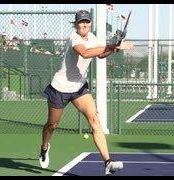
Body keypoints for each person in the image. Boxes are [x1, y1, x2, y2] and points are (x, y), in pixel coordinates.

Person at [38, 10, 134, 175]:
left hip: (79, 88)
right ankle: (44, 147)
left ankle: (107, 162)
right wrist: (113, 45)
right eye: (81, 22)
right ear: (75, 25)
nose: (84, 24)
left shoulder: (93, 37)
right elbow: (85, 52)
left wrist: (114, 49)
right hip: (60, 88)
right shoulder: (74, 38)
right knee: (52, 125)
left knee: (94, 120)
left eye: (87, 22)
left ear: (90, 24)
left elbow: (101, 55)